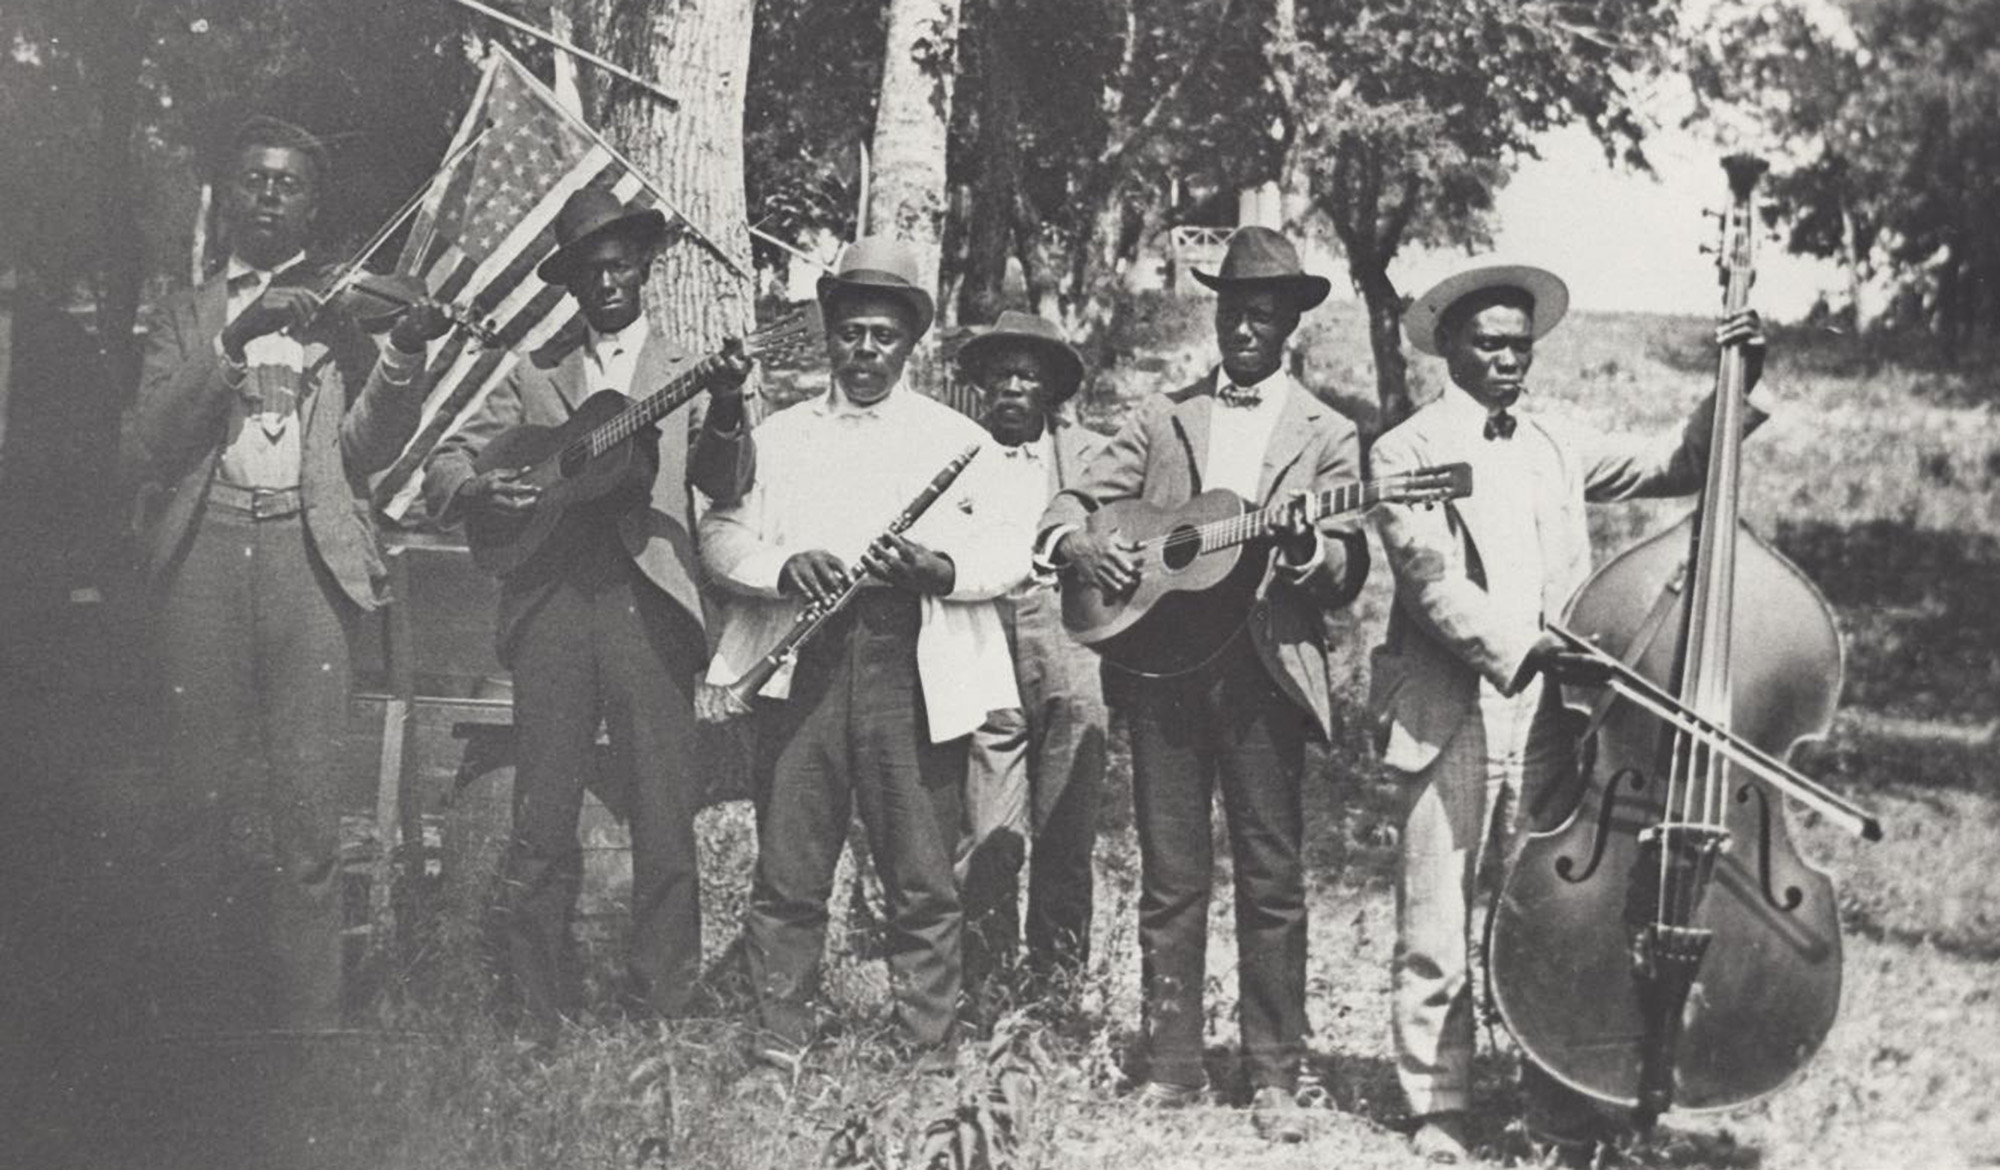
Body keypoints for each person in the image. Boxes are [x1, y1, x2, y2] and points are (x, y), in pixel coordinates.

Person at [1368, 263, 1773, 1164]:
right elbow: (1432, 583)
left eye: (1522, 345)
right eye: (1491, 345)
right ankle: (1438, 1105)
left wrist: (1736, 381)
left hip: (1554, 720)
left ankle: (1554, 1096)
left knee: (1547, 912)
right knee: (1436, 919)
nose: (1511, 360)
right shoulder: (1403, 449)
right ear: (1451, 350)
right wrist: (1530, 647)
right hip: (1451, 709)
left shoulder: (1556, 440)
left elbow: (1679, 462)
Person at [1036, 226, 1370, 1142]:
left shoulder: (1327, 433)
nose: (1245, 329)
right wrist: (1079, 545)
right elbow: (1076, 498)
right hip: (1162, 674)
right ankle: (1172, 1067)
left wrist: (1304, 542)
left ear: (1290, 325)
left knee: (1271, 880)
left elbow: (1346, 566)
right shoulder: (1163, 415)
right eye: (1233, 311)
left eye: (1263, 315)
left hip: (1265, 674)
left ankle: (1274, 1077)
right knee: (1170, 876)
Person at [122, 115, 448, 1031]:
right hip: (206, 555)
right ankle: (190, 1023)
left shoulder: (343, 312)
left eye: (289, 184)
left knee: (310, 814)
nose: (269, 196)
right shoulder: (186, 310)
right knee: (196, 800)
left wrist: (405, 352)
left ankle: (312, 1034)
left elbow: (368, 453)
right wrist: (235, 343)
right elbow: (148, 440)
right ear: (230, 194)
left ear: (313, 204)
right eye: (254, 179)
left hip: (310, 560)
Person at [421, 187, 752, 1043]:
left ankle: (662, 1010)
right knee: (543, 812)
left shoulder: (686, 368)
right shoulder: (537, 372)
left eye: (619, 264)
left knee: (663, 811)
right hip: (554, 602)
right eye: (588, 270)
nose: (606, 281)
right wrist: (476, 487)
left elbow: (727, 482)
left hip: (649, 603)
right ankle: (534, 1008)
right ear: (570, 281)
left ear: (644, 267)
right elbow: (448, 459)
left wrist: (725, 403)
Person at [700, 237, 1025, 1066]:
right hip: (805, 659)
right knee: (791, 862)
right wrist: (782, 566)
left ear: (910, 340)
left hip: (910, 659)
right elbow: (721, 535)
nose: (865, 351)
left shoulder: (961, 440)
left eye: (883, 334)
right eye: (850, 332)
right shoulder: (781, 434)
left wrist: (939, 569)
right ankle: (779, 1041)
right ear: (829, 334)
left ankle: (925, 1045)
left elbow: (1010, 550)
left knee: (920, 868)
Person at [953, 311, 1110, 1012]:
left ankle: (1058, 992)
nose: (1014, 388)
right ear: (983, 384)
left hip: (1069, 632)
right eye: (1002, 375)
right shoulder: (957, 453)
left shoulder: (1094, 457)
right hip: (981, 633)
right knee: (988, 829)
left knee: (1067, 824)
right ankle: (986, 989)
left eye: (1029, 376)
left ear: (1050, 389)